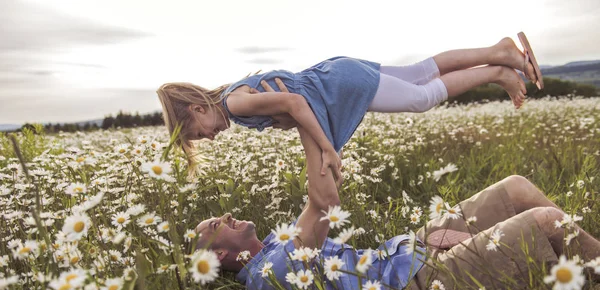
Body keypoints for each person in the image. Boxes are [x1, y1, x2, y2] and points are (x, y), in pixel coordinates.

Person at [193, 93, 600, 290]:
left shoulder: (277, 244)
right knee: (547, 221)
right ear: (223, 257)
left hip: (409, 255)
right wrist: (301, 112)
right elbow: (324, 204)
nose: (226, 216)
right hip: (418, 288)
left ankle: (587, 277)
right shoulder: (269, 276)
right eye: (216, 226)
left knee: (515, 187)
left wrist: (422, 244)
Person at [158, 33, 543, 179]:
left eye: (199, 133)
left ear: (197, 110)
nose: (209, 137)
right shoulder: (236, 95)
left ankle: (497, 71)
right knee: (419, 72)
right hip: (337, 72)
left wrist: (326, 146)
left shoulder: (235, 104)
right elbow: (292, 102)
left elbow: (294, 101)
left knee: (422, 97)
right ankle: (499, 52)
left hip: (340, 86)